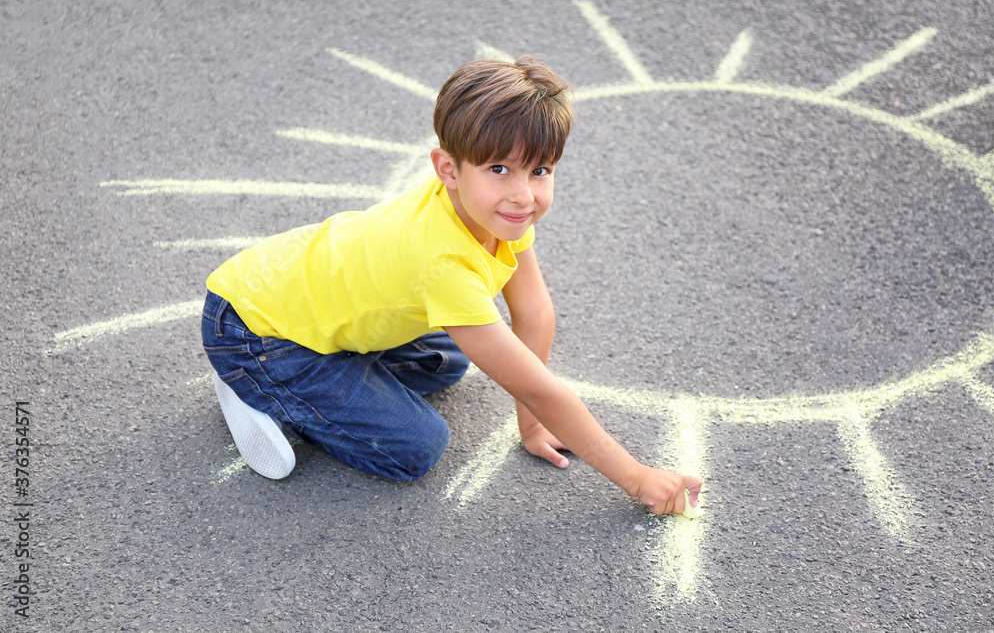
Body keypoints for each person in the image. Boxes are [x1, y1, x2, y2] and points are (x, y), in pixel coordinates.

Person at [201, 56, 702, 515]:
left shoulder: (492, 208)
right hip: (255, 330)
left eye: (541, 170)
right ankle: (258, 386)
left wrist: (531, 424)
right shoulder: (443, 263)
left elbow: (534, 311)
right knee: (416, 447)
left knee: (448, 362)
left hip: (295, 291)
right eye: (499, 169)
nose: (524, 194)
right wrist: (637, 478)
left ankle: (323, 377)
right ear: (448, 168)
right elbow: (534, 385)